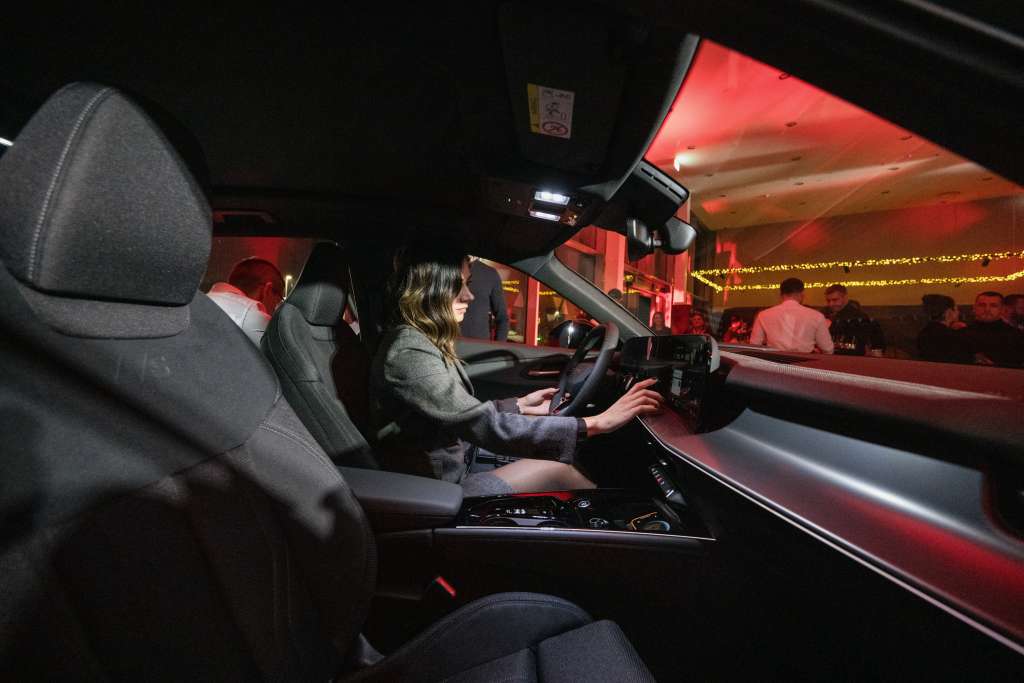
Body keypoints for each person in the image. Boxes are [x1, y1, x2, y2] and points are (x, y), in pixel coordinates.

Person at [370, 238, 663, 496]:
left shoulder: (420, 340)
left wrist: (521, 405)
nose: (469, 296)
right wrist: (597, 423)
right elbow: (479, 424)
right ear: (431, 289)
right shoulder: (409, 351)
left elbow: (458, 413)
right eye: (460, 285)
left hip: (457, 464)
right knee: (561, 469)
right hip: (440, 490)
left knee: (561, 460)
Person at [207, 257, 284, 345]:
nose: (275, 309)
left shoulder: (202, 300)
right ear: (267, 290)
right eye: (277, 301)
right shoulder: (255, 316)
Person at [749, 278, 834, 353]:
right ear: (802, 294)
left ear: (781, 295)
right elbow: (828, 349)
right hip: (805, 362)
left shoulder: (763, 315)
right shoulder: (817, 316)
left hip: (774, 362)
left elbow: (754, 346)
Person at [960, 291, 1024, 367]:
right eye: (982, 305)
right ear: (974, 308)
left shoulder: (1016, 336)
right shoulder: (961, 334)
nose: (987, 309)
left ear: (1002, 309)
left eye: (993, 306)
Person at [824, 284, 885, 356]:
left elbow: (876, 342)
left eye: (835, 300)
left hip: (852, 357)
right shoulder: (827, 314)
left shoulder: (859, 316)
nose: (831, 304)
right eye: (828, 301)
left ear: (845, 298)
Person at [459, 256, 509, 341]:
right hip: (448, 341)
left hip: (479, 344)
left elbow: (502, 317)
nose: (469, 297)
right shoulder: (448, 268)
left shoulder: (490, 273)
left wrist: (498, 346)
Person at [916, 294, 972, 364]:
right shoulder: (953, 336)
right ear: (949, 312)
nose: (958, 312)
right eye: (956, 309)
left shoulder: (923, 333)